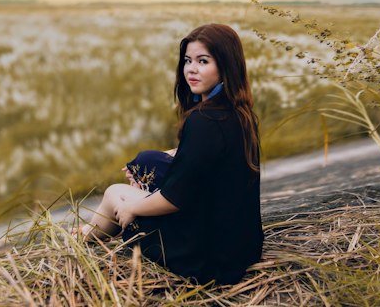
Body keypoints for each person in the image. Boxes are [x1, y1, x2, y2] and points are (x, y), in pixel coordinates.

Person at [80, 23, 263, 286]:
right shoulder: (240, 113)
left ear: (225, 64)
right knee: (147, 161)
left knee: (113, 193)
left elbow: (173, 200)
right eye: (188, 61)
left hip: (202, 258)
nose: (191, 69)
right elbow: (210, 155)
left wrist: (131, 208)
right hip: (240, 248)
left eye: (203, 61)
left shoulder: (203, 120)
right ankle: (87, 232)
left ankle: (81, 240)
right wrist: (162, 157)